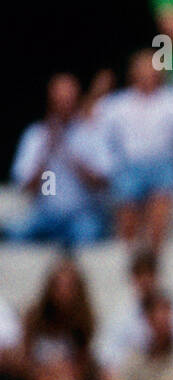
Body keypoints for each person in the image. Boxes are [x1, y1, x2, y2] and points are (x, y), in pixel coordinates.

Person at [97, 50, 173, 251]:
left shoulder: (172, 100)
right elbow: (90, 122)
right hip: (129, 166)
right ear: (133, 72)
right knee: (127, 219)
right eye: (142, 67)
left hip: (163, 164)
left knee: (158, 217)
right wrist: (97, 92)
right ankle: (129, 263)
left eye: (151, 67)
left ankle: (154, 262)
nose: (147, 72)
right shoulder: (117, 104)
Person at [6, 73, 110, 248]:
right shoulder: (36, 134)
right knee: (15, 234)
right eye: (59, 100)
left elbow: (104, 181)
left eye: (68, 99)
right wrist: (47, 152)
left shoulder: (91, 132)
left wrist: (71, 156)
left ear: (77, 99)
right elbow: (25, 186)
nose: (64, 104)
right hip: (46, 216)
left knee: (88, 235)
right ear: (50, 101)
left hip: (83, 215)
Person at [96, 249, 173, 379]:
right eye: (140, 275)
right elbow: (106, 354)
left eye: (149, 274)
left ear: (157, 276)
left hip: (171, 372)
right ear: (132, 278)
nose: (145, 280)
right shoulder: (121, 315)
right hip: (136, 375)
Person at [21, 257, 100, 380]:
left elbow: (85, 362)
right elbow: (24, 359)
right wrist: (43, 372)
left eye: (69, 287)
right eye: (59, 286)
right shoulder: (34, 318)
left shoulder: (84, 321)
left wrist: (65, 371)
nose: (63, 292)